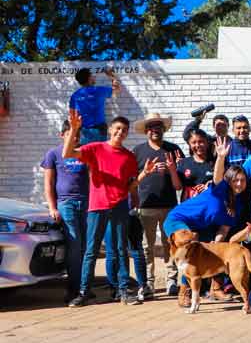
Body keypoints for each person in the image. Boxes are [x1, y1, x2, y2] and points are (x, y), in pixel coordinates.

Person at [64, 110, 149, 307]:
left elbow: (129, 186)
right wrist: (75, 129)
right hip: (97, 205)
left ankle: (123, 291)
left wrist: (143, 175)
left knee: (121, 250)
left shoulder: (128, 157)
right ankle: (84, 292)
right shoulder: (95, 148)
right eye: (118, 128)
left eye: (124, 130)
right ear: (111, 130)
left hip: (119, 206)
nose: (121, 132)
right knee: (91, 250)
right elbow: (68, 153)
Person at [162, 138, 246, 308]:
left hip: (200, 227)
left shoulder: (236, 204)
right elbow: (217, 175)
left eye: (242, 180)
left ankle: (215, 288)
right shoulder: (220, 188)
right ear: (228, 181)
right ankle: (184, 291)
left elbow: (224, 227)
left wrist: (218, 241)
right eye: (235, 180)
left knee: (210, 251)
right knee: (189, 249)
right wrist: (221, 157)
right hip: (179, 220)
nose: (239, 183)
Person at [132, 112, 183, 299]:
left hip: (170, 205)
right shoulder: (137, 151)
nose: (155, 130)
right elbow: (133, 182)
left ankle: (171, 281)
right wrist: (146, 172)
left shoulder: (174, 150)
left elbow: (180, 184)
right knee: (147, 246)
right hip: (146, 205)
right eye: (152, 127)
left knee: (171, 244)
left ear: (164, 129)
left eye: (158, 126)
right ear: (146, 130)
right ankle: (148, 282)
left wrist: (171, 170)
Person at [42, 120, 90, 303]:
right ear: (62, 135)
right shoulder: (53, 154)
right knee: (74, 245)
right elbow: (48, 183)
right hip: (66, 203)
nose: (76, 138)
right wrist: (52, 207)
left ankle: (85, 287)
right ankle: (73, 288)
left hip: (86, 203)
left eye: (78, 135)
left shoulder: (84, 152)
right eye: (71, 134)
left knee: (87, 246)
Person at [69, 66, 121, 145]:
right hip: (99, 130)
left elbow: (72, 115)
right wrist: (112, 76)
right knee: (100, 155)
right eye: (92, 76)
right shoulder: (99, 90)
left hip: (84, 132)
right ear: (89, 78)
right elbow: (116, 89)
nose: (94, 77)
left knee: (86, 155)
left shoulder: (75, 95)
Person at [177, 128, 215, 201]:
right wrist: (172, 169)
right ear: (189, 144)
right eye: (194, 142)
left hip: (210, 204)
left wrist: (210, 185)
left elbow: (224, 181)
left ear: (207, 143)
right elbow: (178, 186)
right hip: (190, 206)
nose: (197, 145)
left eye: (201, 142)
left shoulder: (216, 162)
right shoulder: (183, 163)